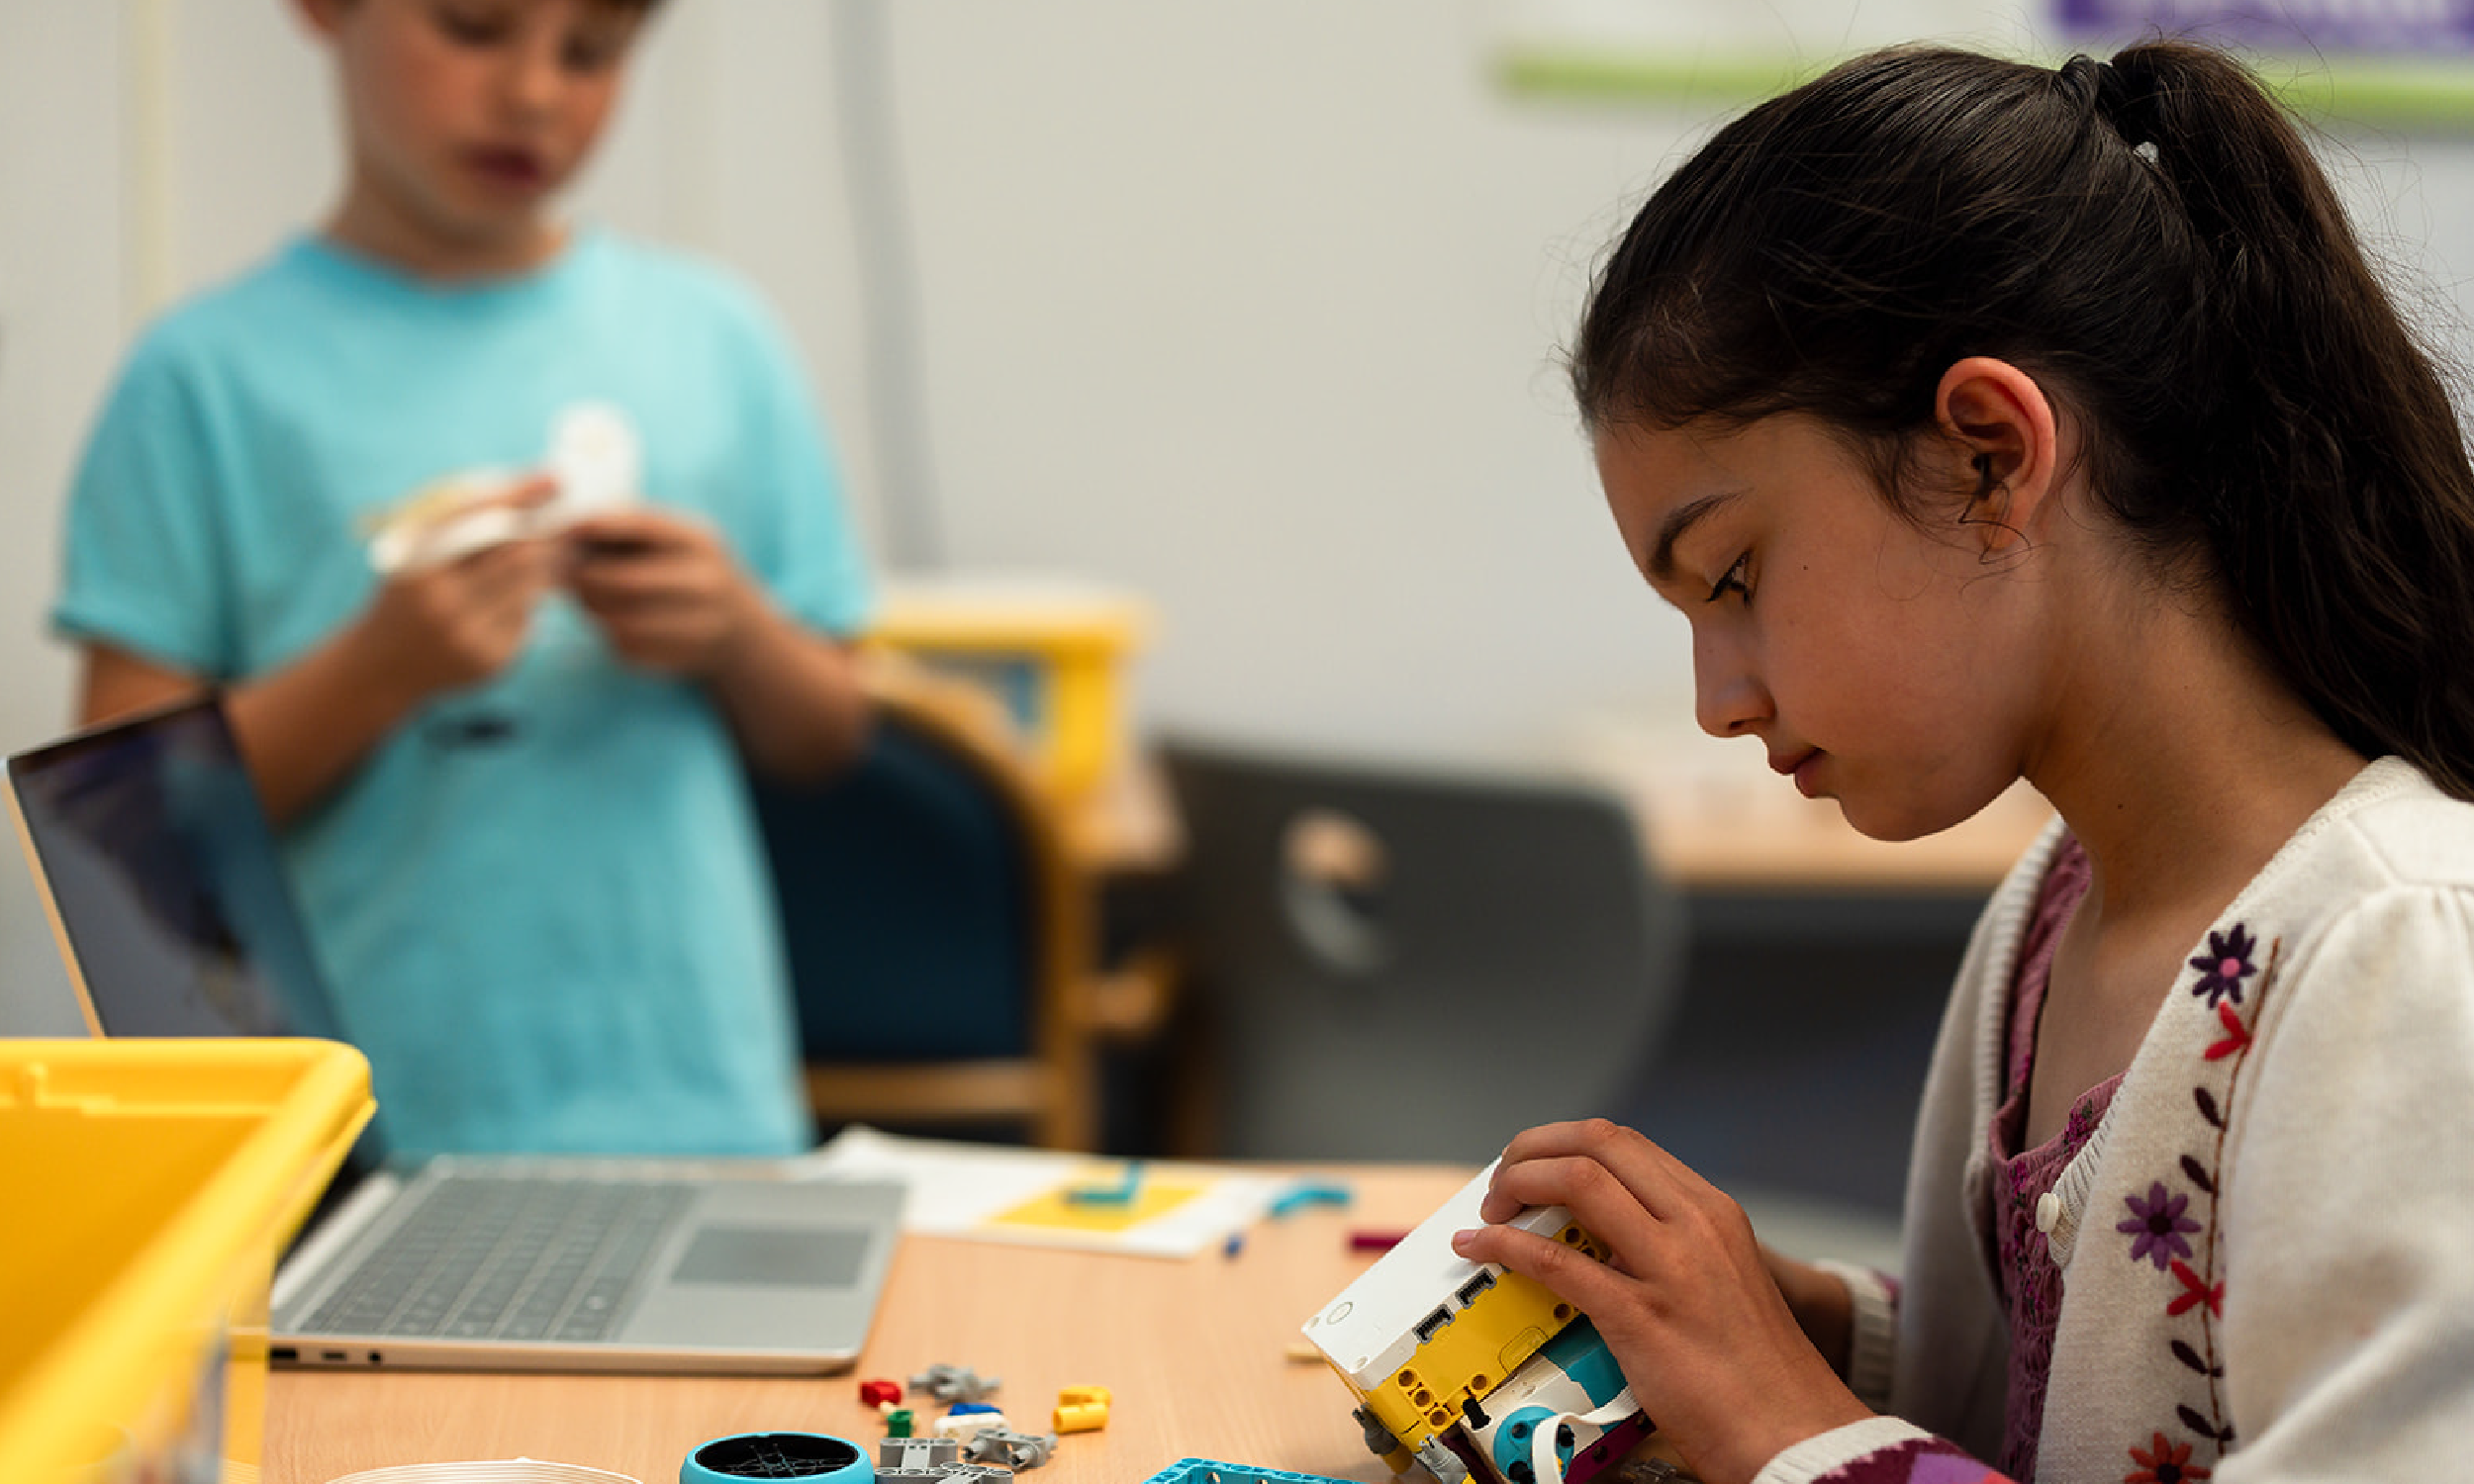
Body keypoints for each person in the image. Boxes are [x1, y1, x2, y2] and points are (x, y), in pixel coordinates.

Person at [1450, 40, 2474, 1484]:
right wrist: (1814, 1346)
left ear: (1989, 456)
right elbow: (2074, 1416)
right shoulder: (2055, 911)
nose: (1716, 703)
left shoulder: (2400, 955)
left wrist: (1793, 1433)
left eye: (1732, 577)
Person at [51, 0, 874, 1159]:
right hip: (362, 1146)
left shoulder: (718, 342)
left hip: (706, 1120)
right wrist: (376, 672)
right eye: (475, 26)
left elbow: (831, 729)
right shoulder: (203, 379)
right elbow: (116, 820)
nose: (535, 94)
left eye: (590, 53)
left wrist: (738, 634)